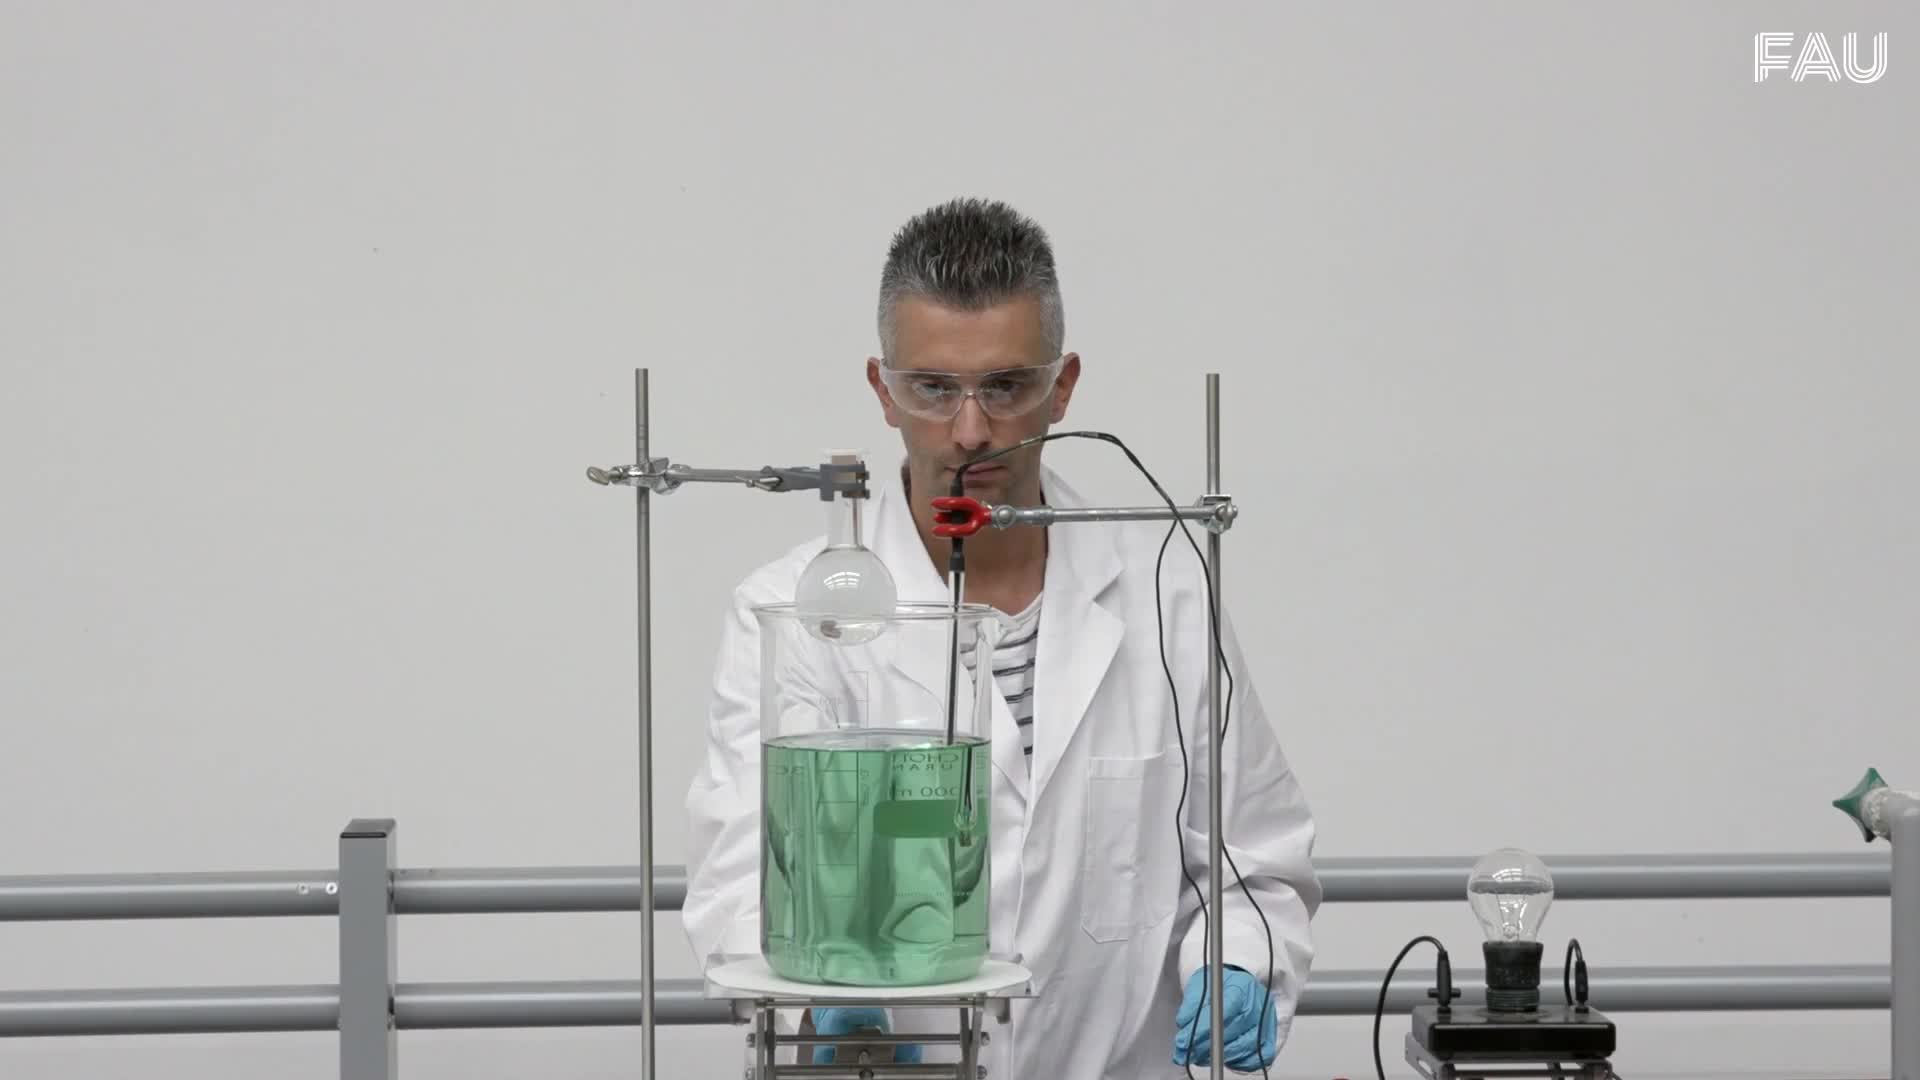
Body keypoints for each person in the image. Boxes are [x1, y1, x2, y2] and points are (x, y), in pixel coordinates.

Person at [682, 197, 1321, 1077]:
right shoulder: (791, 615)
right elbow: (738, 873)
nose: (972, 430)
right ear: (882, 390)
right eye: (934, 389)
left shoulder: (1165, 590)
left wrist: (1239, 960)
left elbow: (1253, 861)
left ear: (1064, 386)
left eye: (1007, 387)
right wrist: (823, 998)